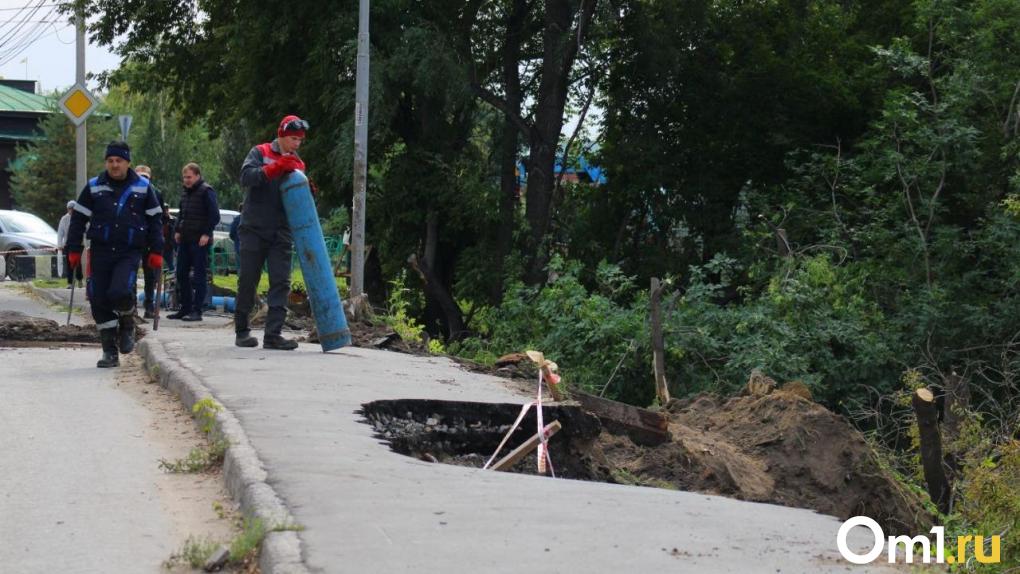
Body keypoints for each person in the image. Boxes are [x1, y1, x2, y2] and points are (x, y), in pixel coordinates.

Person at [66, 141, 163, 368]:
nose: (114, 165)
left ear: (127, 162)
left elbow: (156, 220)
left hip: (128, 252)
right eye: (110, 161)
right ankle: (109, 351)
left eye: (118, 161)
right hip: (100, 250)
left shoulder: (143, 187)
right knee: (98, 298)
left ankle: (127, 322)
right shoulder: (94, 186)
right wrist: (73, 249)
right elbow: (78, 219)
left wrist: (157, 250)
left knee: (119, 291)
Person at [234, 115, 308, 350]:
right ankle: (242, 331)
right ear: (282, 136)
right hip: (253, 228)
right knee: (248, 280)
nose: (296, 144)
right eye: (293, 139)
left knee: (281, 282)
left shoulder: (298, 163)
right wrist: (274, 168)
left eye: (299, 140)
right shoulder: (260, 152)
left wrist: (308, 192)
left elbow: (297, 196)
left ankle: (273, 335)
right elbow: (246, 177)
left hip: (281, 231)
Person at [167, 162, 219, 322]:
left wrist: (206, 233)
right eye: (184, 177)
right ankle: (185, 307)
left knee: (199, 275)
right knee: (181, 273)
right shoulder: (185, 193)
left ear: (197, 176)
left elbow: (214, 215)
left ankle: (197, 310)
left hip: (200, 241)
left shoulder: (206, 191)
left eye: (189, 177)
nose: (186, 180)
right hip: (185, 239)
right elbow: (182, 214)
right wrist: (177, 230)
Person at [134, 165, 167, 318]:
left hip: (149, 238)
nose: (143, 180)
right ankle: (130, 306)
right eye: (139, 176)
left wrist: (158, 241)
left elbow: (159, 218)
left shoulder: (156, 193)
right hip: (133, 237)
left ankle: (149, 306)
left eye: (145, 177)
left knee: (150, 275)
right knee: (130, 272)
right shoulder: (130, 191)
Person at [56, 200, 83, 288]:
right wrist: (59, 245)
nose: (71, 211)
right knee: (69, 262)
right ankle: (70, 282)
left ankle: (79, 279)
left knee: (77, 262)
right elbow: (60, 232)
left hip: (79, 244)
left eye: (73, 209)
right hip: (68, 244)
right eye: (69, 209)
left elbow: (86, 228)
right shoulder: (64, 219)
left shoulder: (80, 218)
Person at [228, 202, 242, 268]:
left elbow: (232, 233)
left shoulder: (237, 219)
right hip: (252, 246)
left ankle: (241, 277)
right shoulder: (253, 219)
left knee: (240, 265)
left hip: (239, 245)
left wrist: (236, 239)